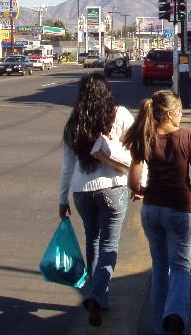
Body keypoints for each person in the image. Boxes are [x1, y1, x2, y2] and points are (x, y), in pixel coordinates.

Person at [123, 90, 191, 335]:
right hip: (179, 209)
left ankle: (161, 323)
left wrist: (140, 190)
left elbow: (134, 178)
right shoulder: (188, 137)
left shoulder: (146, 138)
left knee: (160, 266)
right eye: (180, 112)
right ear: (170, 114)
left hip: (152, 209)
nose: (181, 117)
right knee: (181, 266)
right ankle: (175, 314)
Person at [58, 73, 135, 327]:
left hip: (82, 192)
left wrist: (62, 199)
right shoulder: (120, 115)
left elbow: (67, 165)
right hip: (113, 187)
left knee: (92, 240)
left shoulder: (75, 121)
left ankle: (98, 294)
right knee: (109, 246)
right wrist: (138, 184)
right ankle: (96, 295)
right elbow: (136, 151)